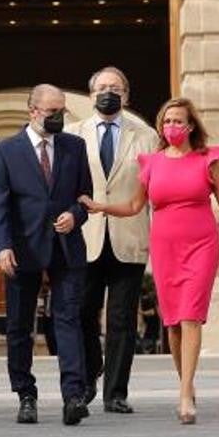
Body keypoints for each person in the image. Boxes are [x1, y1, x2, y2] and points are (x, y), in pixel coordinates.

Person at [82, 97, 219, 425]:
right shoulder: (151, 162)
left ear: (191, 126)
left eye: (178, 121)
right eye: (167, 121)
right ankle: (186, 380)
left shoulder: (208, 159)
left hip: (201, 244)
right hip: (165, 247)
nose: (172, 126)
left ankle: (185, 394)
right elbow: (133, 206)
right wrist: (101, 207)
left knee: (191, 317)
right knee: (172, 324)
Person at [0, 84, 93, 427]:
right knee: (19, 327)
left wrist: (75, 214)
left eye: (61, 110)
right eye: (52, 112)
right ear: (33, 111)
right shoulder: (6, 151)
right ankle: (26, 394)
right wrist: (1, 245)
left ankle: (74, 395)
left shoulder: (74, 147)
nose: (59, 117)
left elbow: (85, 196)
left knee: (67, 320)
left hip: (66, 248)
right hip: (22, 249)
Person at [68, 66, 157, 414]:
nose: (109, 92)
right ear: (91, 96)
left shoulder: (146, 135)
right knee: (81, 313)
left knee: (121, 319)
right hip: (85, 238)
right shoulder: (74, 134)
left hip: (129, 237)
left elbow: (154, 188)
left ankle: (116, 392)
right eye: (102, 87)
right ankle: (90, 373)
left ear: (126, 95)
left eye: (115, 87)